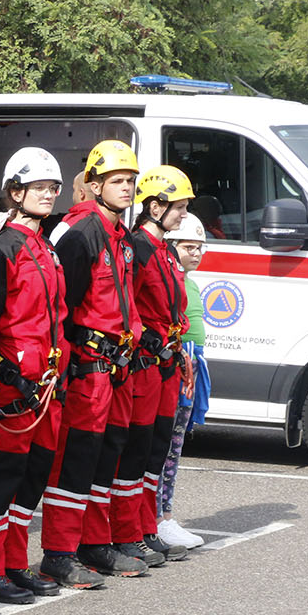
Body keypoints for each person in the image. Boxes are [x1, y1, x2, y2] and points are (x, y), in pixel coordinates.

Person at [0, 148, 95, 599]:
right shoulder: (0, 249)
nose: (48, 194)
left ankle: (13, 562)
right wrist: (2, 375)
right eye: (40, 187)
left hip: (48, 385)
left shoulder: (46, 247)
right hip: (14, 388)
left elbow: (58, 316)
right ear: (16, 192)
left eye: (53, 188)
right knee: (2, 476)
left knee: (32, 477)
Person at [41, 140, 146, 582]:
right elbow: (60, 308)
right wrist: (64, 370)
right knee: (75, 461)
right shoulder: (80, 233)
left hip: (116, 371)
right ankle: (59, 553)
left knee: (105, 460)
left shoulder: (119, 236)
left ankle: (95, 543)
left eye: (130, 182)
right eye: (117, 181)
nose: (126, 189)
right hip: (86, 371)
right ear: (95, 185)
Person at [114, 165, 195, 564]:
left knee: (155, 451)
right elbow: (128, 306)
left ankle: (146, 528)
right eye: (178, 207)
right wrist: (151, 339)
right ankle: (126, 533)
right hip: (146, 366)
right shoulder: (139, 248)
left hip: (166, 366)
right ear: (155, 206)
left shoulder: (163, 249)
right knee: (137, 450)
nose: (182, 215)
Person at [155, 213, 209, 550]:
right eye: (189, 246)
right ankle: (159, 519)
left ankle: (166, 514)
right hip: (175, 366)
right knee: (164, 448)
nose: (197, 253)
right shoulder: (169, 278)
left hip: (191, 368)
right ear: (171, 246)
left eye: (201, 247)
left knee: (174, 445)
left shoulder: (187, 279)